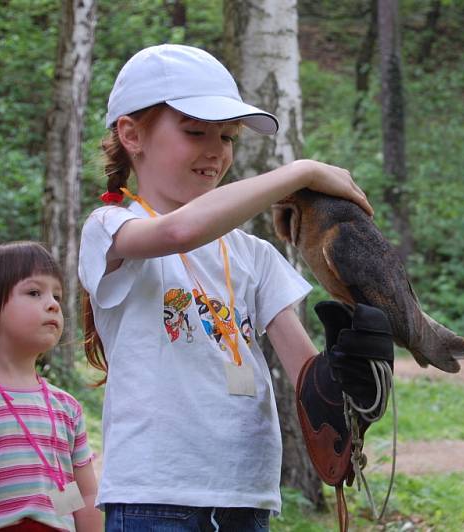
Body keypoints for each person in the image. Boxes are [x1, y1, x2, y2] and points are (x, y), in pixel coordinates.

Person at [79, 44, 393, 531]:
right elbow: (177, 233)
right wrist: (302, 172)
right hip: (154, 497)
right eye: (195, 132)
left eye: (227, 137)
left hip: (245, 497)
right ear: (131, 134)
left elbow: (304, 371)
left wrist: (341, 385)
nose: (216, 151)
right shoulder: (112, 227)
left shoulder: (252, 254)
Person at [0, 241, 103, 532]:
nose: (52, 303)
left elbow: (83, 495)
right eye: (34, 292)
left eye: (57, 296)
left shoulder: (66, 407)